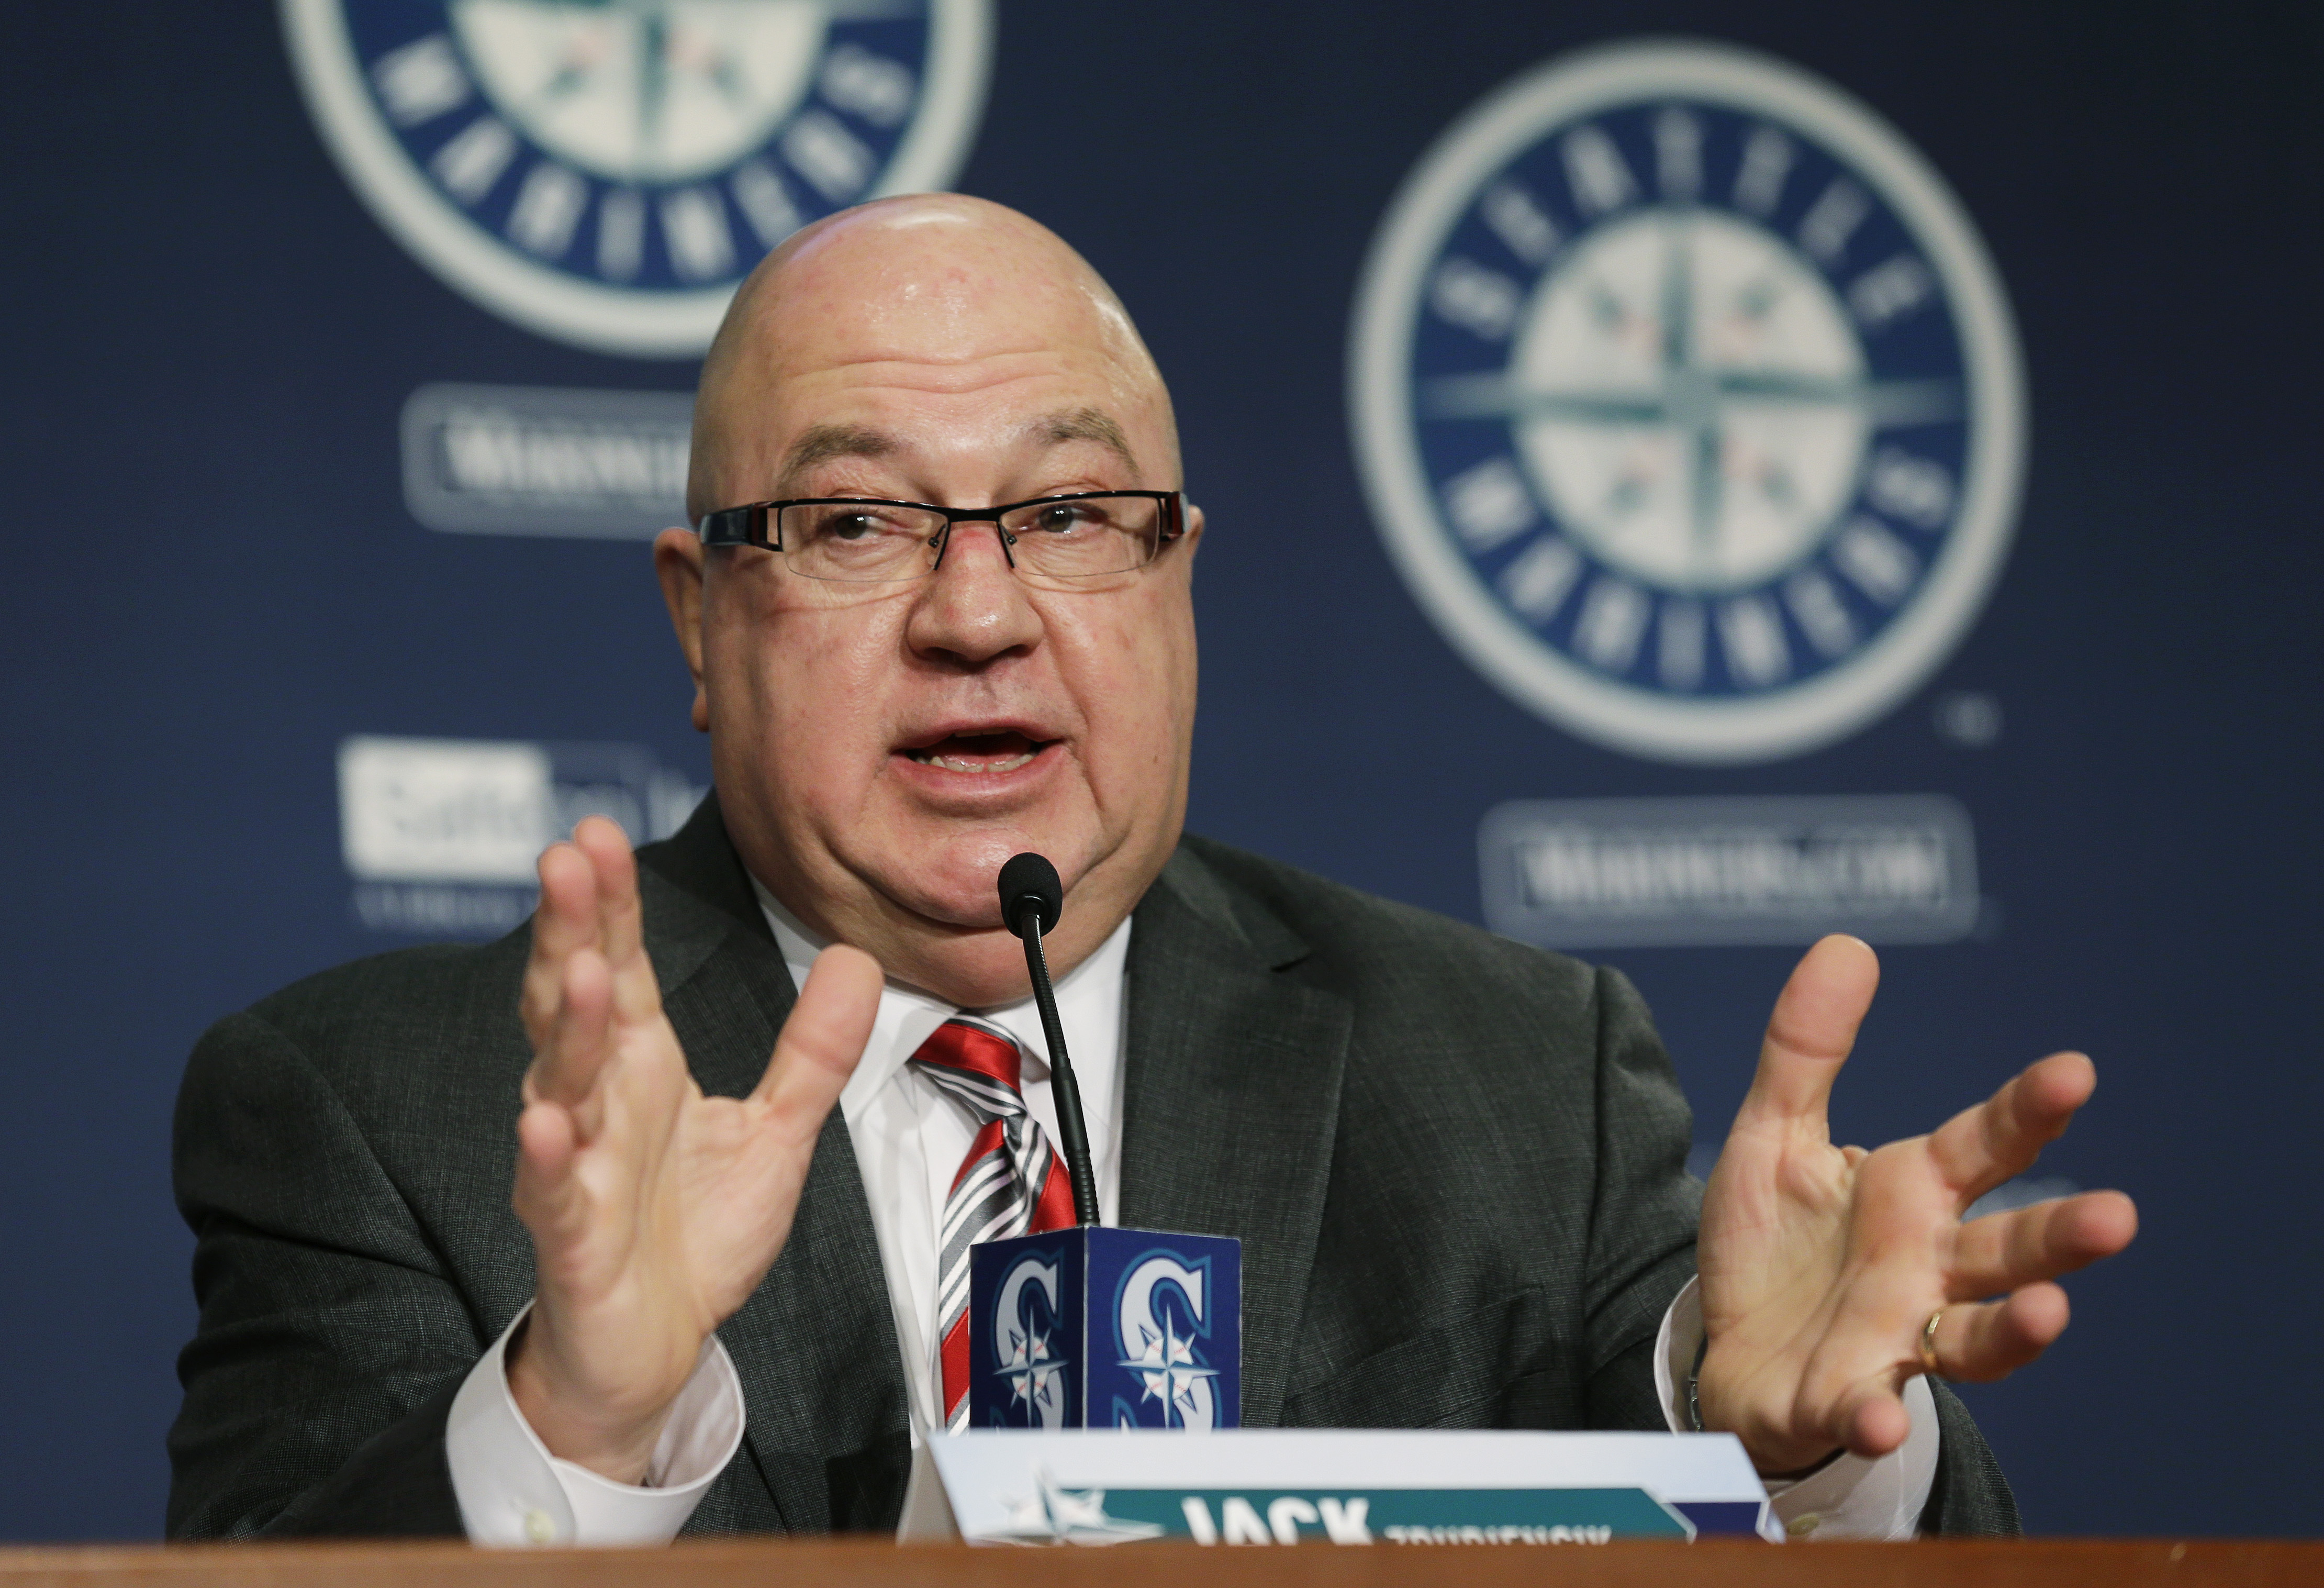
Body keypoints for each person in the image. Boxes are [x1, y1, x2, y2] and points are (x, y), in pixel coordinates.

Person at [167, 195, 2136, 1544]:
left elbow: (1782, 1510)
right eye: (857, 520)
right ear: (702, 618)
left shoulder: (1516, 1072)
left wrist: (1792, 1455)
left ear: (1177, 574)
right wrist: (578, 1433)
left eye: (1072, 511)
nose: (979, 612)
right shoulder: (385, 1111)